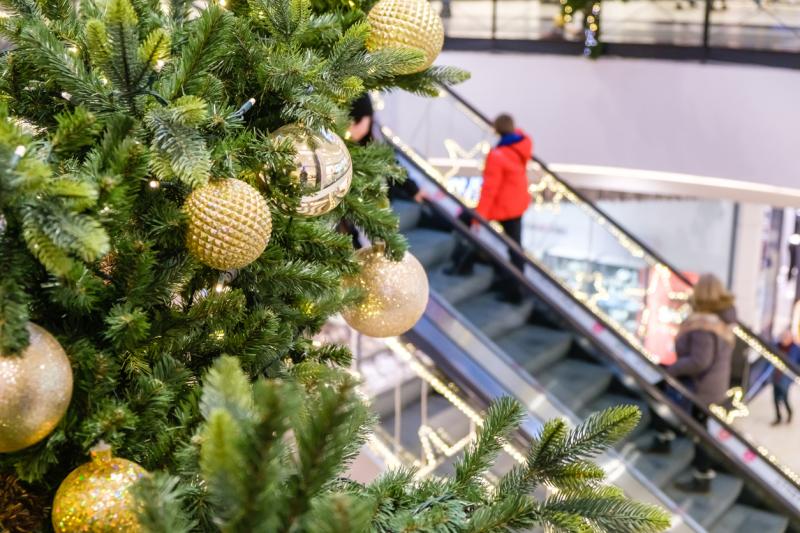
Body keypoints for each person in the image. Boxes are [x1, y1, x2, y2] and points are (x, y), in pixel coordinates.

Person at [646, 273, 736, 494]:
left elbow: (699, 361)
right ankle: (699, 473)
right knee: (701, 431)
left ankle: (669, 445)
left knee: (657, 395)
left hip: (699, 388)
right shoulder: (721, 321)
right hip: (713, 387)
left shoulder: (704, 325)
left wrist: (671, 370)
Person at [444, 114, 532, 304]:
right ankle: (517, 291)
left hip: (502, 205)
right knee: (515, 249)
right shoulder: (521, 144)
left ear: (495, 130)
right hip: (517, 204)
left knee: (463, 222)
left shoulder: (498, 155)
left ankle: (463, 264)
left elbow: (489, 190)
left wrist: (479, 218)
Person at [771, 330, 800, 425]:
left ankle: (790, 413)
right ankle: (778, 417)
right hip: (776, 376)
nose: (784, 339)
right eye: (783, 336)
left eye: (787, 337)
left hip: (786, 378)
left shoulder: (796, 349)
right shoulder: (777, 346)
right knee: (775, 399)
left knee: (784, 398)